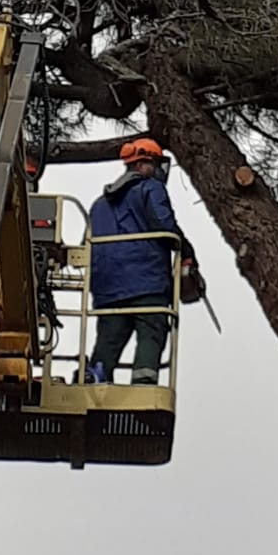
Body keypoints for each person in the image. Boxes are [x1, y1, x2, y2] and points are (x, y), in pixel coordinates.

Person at [85, 138, 199, 384]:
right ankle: (144, 383)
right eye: (156, 164)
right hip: (146, 281)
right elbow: (163, 223)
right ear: (143, 164)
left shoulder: (99, 205)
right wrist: (185, 248)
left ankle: (94, 378)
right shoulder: (151, 188)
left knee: (109, 336)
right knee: (152, 330)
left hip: (107, 287)